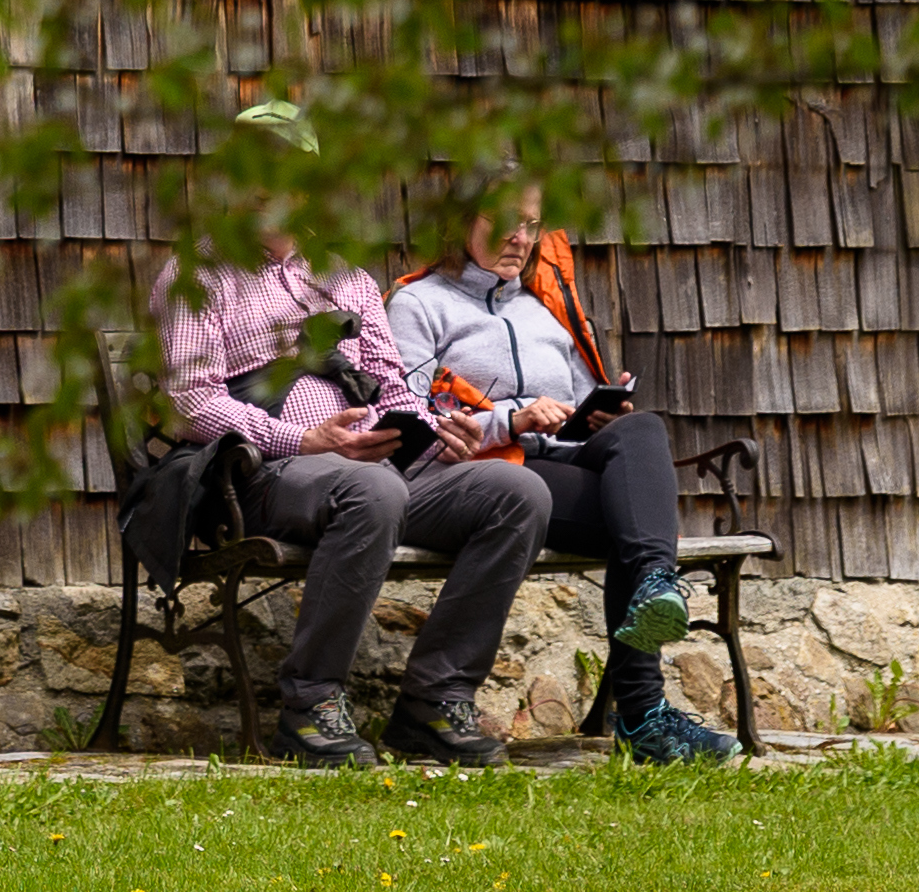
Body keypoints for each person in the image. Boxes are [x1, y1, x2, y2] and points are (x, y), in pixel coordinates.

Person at [160, 211, 554, 769]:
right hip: (261, 475)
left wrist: (438, 425)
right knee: (371, 491)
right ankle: (310, 705)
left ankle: (434, 703)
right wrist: (302, 439)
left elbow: (393, 383)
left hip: (380, 468)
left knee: (518, 492)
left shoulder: (346, 278)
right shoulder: (197, 274)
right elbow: (192, 400)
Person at [394, 194, 745, 764]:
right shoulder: (417, 304)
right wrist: (509, 419)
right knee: (635, 522)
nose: (520, 237)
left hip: (563, 460)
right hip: (491, 473)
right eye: (504, 222)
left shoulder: (543, 308)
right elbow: (412, 422)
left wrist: (599, 414)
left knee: (641, 432)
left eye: (530, 225)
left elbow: (580, 403)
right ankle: (644, 716)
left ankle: (657, 585)